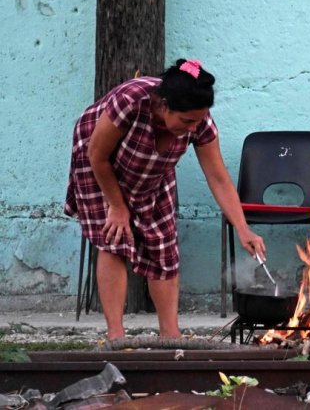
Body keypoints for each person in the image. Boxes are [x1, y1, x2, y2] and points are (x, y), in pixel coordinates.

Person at [65, 59, 266, 340]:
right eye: (186, 121)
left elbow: (218, 177)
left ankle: (170, 337)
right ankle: (115, 336)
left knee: (164, 246)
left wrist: (243, 228)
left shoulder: (199, 122)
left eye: (198, 120)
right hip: (98, 162)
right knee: (114, 238)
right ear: (163, 106)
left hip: (152, 171)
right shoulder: (130, 102)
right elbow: (97, 156)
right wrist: (118, 206)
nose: (193, 127)